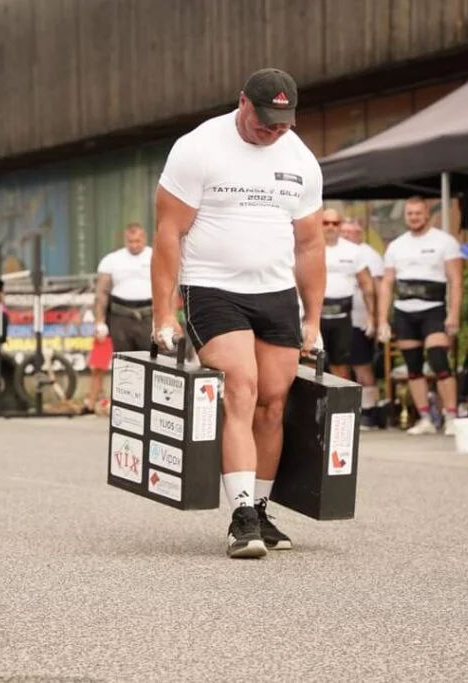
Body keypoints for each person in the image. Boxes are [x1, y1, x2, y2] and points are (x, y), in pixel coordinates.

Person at [152, 68, 324, 559]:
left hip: (275, 293)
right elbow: (168, 234)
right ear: (242, 104)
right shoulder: (198, 147)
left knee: (274, 400)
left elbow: (310, 244)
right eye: (264, 122)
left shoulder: (300, 159)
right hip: (211, 288)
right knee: (242, 387)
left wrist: (312, 319)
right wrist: (162, 313)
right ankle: (241, 514)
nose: (271, 132)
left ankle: (262, 508)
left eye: (282, 125)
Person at [377, 197, 463, 436]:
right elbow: (387, 283)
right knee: (413, 367)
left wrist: (454, 314)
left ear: (427, 214)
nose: (414, 217)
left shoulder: (445, 241)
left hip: (433, 309)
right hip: (404, 311)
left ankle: (451, 415)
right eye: (409, 214)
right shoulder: (396, 246)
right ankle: (425, 417)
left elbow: (456, 280)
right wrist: (382, 319)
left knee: (439, 361)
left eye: (418, 213)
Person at [87, 223, 153, 414]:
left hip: (148, 314)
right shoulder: (112, 260)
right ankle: (126, 405)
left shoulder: (154, 256)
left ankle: (148, 405)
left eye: (138, 241)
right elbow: (101, 293)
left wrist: (165, 317)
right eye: (131, 241)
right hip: (121, 316)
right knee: (124, 362)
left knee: (152, 361)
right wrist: (99, 321)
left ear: (144, 239)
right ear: (126, 241)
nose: (134, 245)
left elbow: (168, 288)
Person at [320, 209, 375, 380]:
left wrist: (371, 317)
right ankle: (308, 406)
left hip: (342, 316)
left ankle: (340, 406)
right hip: (315, 314)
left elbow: (367, 285)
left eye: (335, 223)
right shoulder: (309, 248)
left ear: (340, 225)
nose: (331, 227)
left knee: (340, 365)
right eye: (326, 223)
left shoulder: (353, 251)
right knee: (310, 363)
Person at [341, 218, 385, 427]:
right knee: (340, 366)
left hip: (361, 320)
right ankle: (348, 410)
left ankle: (369, 411)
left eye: (352, 232)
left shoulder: (369, 255)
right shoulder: (335, 251)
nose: (347, 236)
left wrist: (375, 318)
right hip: (338, 318)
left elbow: (377, 288)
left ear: (360, 233)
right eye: (345, 232)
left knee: (362, 365)